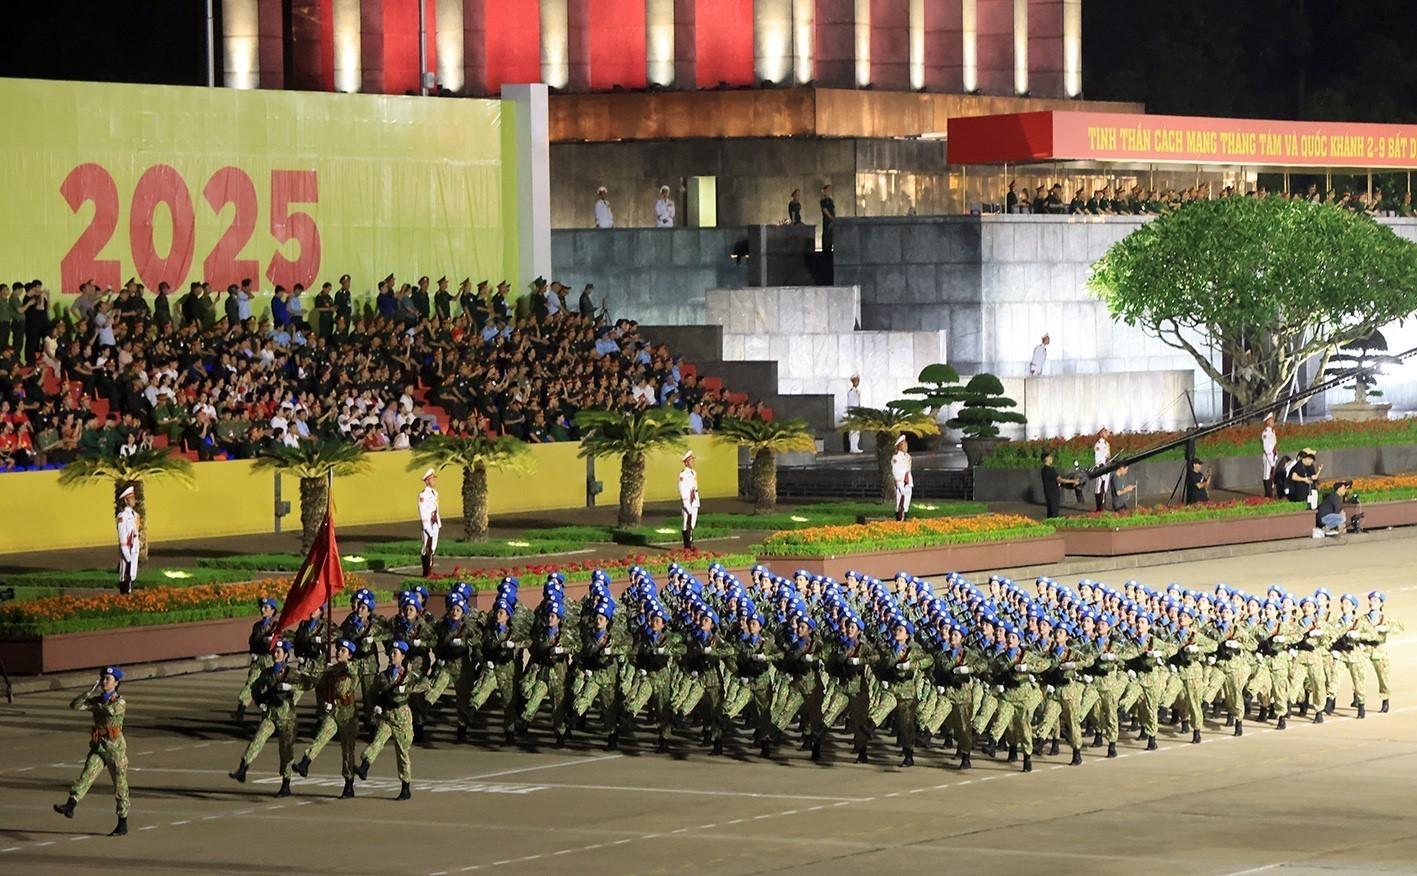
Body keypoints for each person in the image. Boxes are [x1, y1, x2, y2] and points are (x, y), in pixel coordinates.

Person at [53, 666, 129, 837]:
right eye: (103, 678)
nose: (104, 681)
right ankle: (71, 804)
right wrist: (87, 693)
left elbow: (110, 710)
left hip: (115, 748)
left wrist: (95, 703)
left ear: (116, 683)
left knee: (120, 785)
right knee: (87, 774)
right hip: (99, 745)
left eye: (108, 679)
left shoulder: (119, 701)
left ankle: (122, 821)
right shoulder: (97, 700)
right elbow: (75, 705)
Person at [228, 638, 304, 798]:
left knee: (285, 751)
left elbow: (304, 686)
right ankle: (243, 768)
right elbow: (255, 688)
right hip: (270, 714)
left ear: (285, 655)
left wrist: (289, 689)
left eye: (279, 652)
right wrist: (260, 702)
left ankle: (286, 783)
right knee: (257, 739)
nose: (276, 654)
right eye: (274, 652)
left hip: (286, 717)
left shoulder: (292, 673)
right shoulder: (267, 673)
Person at [355, 640, 429, 800]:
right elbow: (373, 693)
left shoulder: (409, 675)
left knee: (402, 752)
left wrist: (407, 688)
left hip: (402, 717)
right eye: (391, 653)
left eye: (395, 653)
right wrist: (376, 706)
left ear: (403, 656)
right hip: (387, 715)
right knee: (377, 741)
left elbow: (425, 685)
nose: (391, 656)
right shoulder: (383, 676)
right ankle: (364, 766)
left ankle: (405, 786)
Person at [294, 638, 362, 798]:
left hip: (348, 716)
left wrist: (341, 666)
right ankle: (305, 762)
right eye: (338, 650)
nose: (339, 652)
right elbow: (320, 686)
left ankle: (349, 783)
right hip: (334, 712)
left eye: (343, 651)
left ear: (350, 655)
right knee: (321, 736)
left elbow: (353, 671)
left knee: (347, 751)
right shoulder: (331, 670)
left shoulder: (353, 668)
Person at [1040, 450, 1081, 519]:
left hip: (1048, 493)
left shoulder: (1043, 470)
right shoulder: (1050, 470)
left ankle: (1049, 524)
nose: (1051, 458)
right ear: (1046, 458)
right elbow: (1060, 480)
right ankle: (1054, 524)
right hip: (1054, 493)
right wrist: (1073, 481)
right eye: (1050, 457)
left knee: (1050, 511)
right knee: (1054, 512)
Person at [115, 485, 140, 595]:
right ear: (126, 500)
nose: (134, 500)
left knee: (132, 574)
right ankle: (124, 594)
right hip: (127, 548)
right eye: (131, 498)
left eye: (134, 498)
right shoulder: (123, 516)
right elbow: (122, 535)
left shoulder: (136, 515)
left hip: (134, 547)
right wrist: (125, 551)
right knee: (125, 574)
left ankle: (130, 592)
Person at [418, 468, 440, 577]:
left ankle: (430, 569)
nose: (434, 481)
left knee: (433, 547)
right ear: (427, 481)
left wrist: (438, 523)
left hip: (434, 522)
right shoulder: (423, 495)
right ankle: (426, 571)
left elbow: (436, 509)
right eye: (432, 479)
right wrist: (426, 526)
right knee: (426, 547)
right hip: (428, 524)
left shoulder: (435, 493)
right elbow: (423, 511)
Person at [679, 450, 699, 550]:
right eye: (691, 460)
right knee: (686, 523)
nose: (692, 462)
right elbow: (683, 489)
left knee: (692, 523)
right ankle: (687, 546)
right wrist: (686, 503)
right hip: (687, 501)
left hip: (694, 501)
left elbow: (694, 488)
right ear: (686, 462)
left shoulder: (693, 473)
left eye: (693, 460)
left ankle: (691, 543)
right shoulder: (683, 474)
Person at [891, 434, 912, 521]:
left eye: (906, 445)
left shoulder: (908, 456)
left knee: (906, 502)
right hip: (901, 481)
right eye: (904, 445)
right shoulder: (896, 458)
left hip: (908, 481)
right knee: (899, 502)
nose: (906, 447)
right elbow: (895, 470)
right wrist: (898, 482)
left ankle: (904, 518)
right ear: (899, 446)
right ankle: (899, 520)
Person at [1092, 427, 1111, 512]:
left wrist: (1108, 462)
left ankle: (1103, 506)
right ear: (1100, 434)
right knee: (1099, 487)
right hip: (1100, 467)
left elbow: (1108, 456)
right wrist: (1100, 465)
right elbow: (1098, 457)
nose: (1107, 433)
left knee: (1105, 487)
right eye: (1105, 432)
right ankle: (1099, 508)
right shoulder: (1098, 444)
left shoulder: (1107, 444)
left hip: (1107, 467)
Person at [1261, 413, 1278, 497]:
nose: (1273, 422)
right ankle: (1267, 494)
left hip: (1273, 456)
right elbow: (1266, 448)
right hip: (1268, 456)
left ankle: (1271, 492)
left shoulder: (1272, 432)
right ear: (1267, 422)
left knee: (1272, 474)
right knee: (1267, 474)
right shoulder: (1266, 433)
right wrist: (1271, 461)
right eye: (1271, 420)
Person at [845, 375, 862, 453]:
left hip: (857, 413)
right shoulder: (851, 392)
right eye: (856, 381)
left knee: (857, 431)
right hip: (852, 414)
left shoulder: (858, 392)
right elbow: (850, 404)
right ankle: (852, 448)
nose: (857, 382)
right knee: (852, 431)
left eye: (858, 381)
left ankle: (856, 447)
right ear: (853, 382)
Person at [820, 184, 836, 252]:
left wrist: (834, 218)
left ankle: (830, 247)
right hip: (827, 220)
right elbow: (825, 210)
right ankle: (825, 249)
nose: (828, 192)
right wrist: (830, 217)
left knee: (831, 234)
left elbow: (833, 209)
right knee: (826, 233)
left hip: (832, 220)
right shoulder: (823, 201)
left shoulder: (830, 200)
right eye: (827, 190)